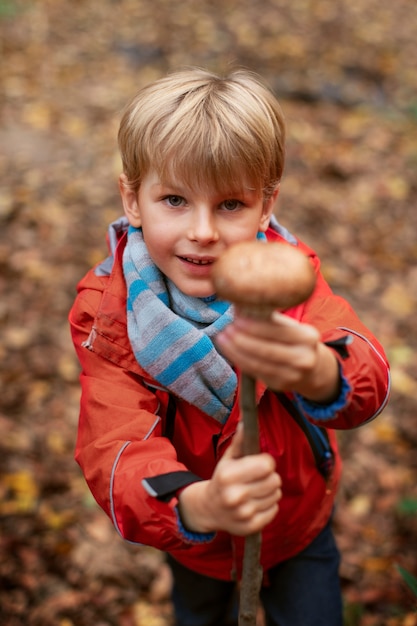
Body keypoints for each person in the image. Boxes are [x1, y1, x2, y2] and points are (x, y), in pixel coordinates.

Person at [69, 68, 390, 626]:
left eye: (230, 206)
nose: (203, 231)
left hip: (296, 522)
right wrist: (197, 504)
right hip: (200, 542)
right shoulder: (112, 319)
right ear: (133, 198)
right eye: (174, 199)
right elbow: (113, 448)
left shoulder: (286, 281)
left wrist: (320, 371)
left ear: (266, 205)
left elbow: (363, 362)